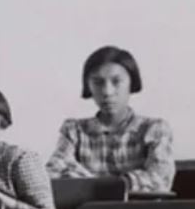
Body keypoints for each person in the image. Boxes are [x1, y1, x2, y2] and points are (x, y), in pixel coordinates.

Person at [46, 45, 174, 193]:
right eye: (98, 83)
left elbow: (160, 180)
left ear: (132, 82)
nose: (107, 92)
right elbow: (53, 173)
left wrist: (90, 182)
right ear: (88, 86)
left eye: (116, 81)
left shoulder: (155, 129)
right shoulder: (74, 130)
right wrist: (125, 184)